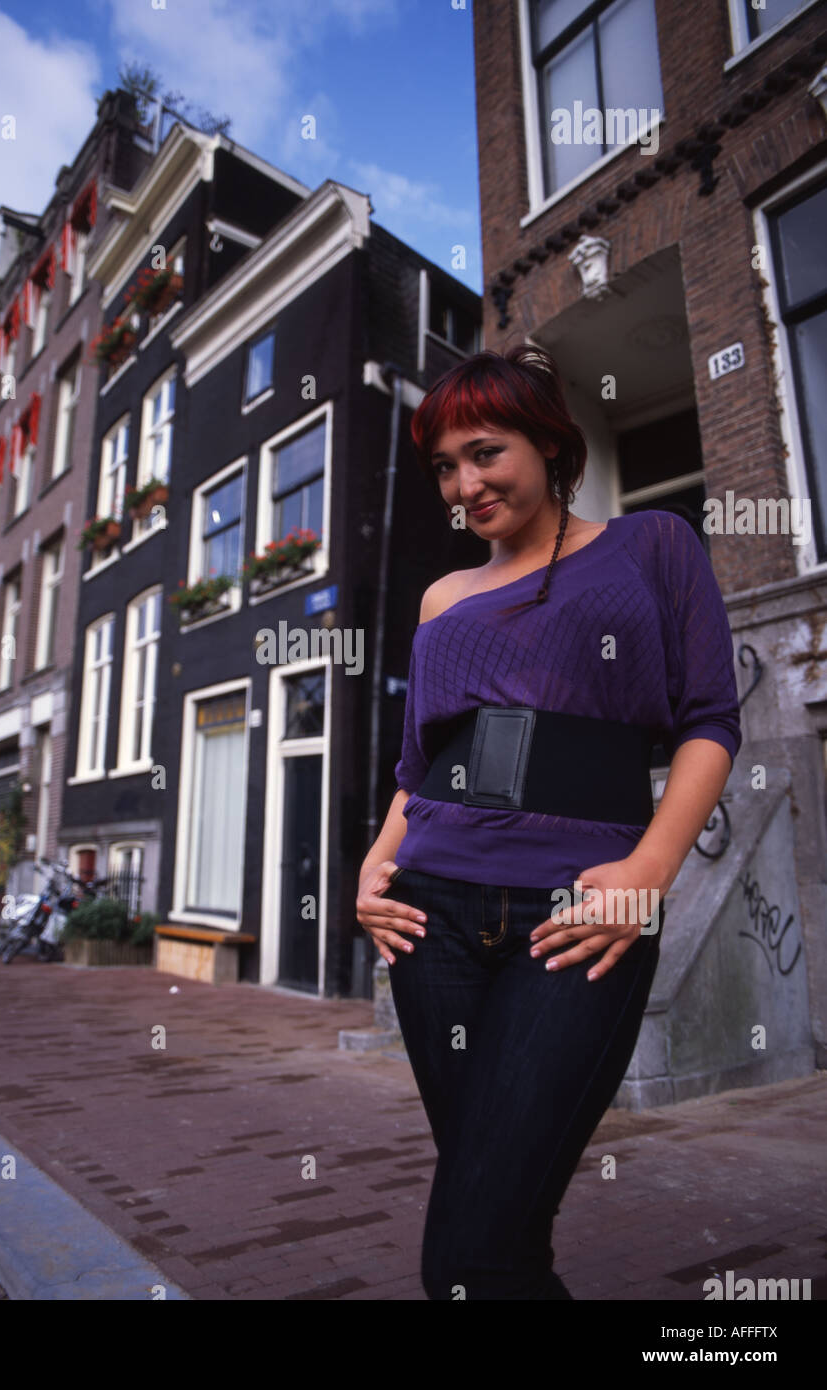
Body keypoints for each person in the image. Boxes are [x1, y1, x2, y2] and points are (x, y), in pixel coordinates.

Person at [356, 343, 741, 1301]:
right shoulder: (442, 596)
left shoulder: (653, 545)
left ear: (548, 442)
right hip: (428, 916)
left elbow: (708, 723)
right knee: (504, 1225)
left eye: (485, 452)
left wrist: (651, 871)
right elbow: (419, 767)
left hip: (575, 916)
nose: (465, 482)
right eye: (445, 466)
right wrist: (374, 864)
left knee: (470, 1252)